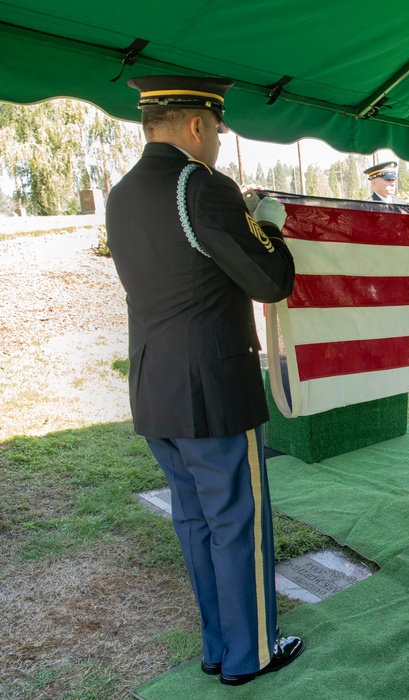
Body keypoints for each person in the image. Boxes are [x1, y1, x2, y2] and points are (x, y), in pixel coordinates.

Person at [105, 75, 303, 686]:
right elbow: (271, 281)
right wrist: (265, 225)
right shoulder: (203, 187)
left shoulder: (122, 192)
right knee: (237, 523)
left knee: (194, 524)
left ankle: (218, 646)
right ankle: (252, 655)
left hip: (154, 387)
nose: (218, 139)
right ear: (197, 126)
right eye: (217, 128)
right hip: (213, 393)